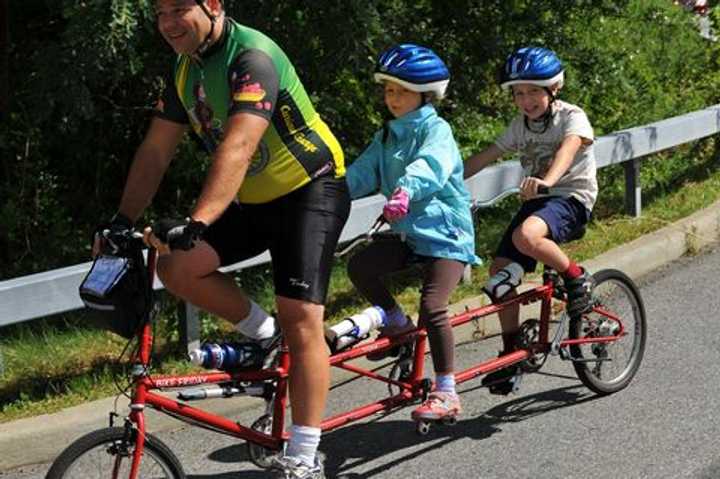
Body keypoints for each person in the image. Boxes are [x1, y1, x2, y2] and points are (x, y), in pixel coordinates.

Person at [93, 1, 349, 477]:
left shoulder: (251, 56)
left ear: (212, 5)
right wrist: (121, 220)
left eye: (179, 9)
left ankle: (305, 453)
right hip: (252, 199)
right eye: (158, 12)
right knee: (177, 268)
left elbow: (240, 144)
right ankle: (267, 337)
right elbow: (156, 148)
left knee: (301, 316)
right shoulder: (184, 69)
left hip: (309, 190)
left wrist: (199, 221)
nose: (168, 23)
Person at [344, 44, 480, 422]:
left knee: (433, 306)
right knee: (361, 266)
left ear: (425, 93)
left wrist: (405, 190)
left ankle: (447, 391)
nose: (393, 98)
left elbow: (431, 165)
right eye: (388, 90)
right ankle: (397, 324)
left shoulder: (437, 129)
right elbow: (363, 171)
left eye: (401, 90)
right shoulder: (387, 135)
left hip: (444, 236)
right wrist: (331, 190)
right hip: (408, 235)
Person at [463, 46, 598, 395]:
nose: (526, 100)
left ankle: (576, 278)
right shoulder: (519, 126)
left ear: (554, 88)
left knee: (527, 234)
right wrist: (447, 181)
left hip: (570, 199)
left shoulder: (572, 116)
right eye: (519, 93)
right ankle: (511, 354)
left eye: (534, 91)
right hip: (537, 202)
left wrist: (549, 181)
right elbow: (487, 156)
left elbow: (570, 148)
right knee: (499, 275)